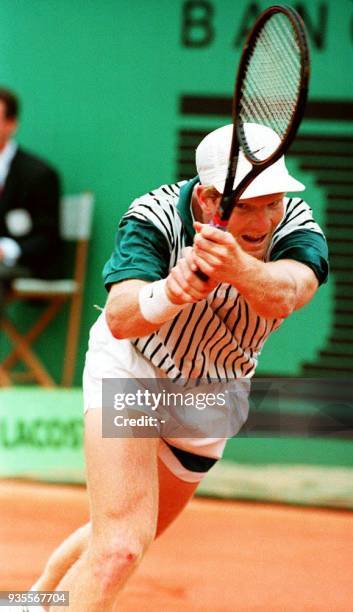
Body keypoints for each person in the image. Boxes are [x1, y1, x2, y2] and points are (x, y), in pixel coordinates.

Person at [19, 123, 328, 612]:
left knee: (124, 533)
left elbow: (288, 293)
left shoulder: (295, 224)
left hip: (210, 397)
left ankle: (30, 601)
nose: (264, 219)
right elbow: (121, 318)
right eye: (246, 205)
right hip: (135, 370)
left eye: (273, 202)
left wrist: (236, 267)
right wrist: (171, 291)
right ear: (208, 199)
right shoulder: (154, 217)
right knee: (121, 546)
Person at [0, 86, 61, 306]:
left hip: (30, 265)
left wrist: (6, 250)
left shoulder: (39, 174)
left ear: (11, 124)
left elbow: (48, 238)